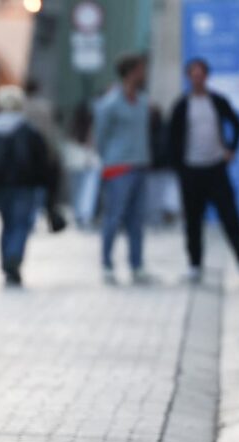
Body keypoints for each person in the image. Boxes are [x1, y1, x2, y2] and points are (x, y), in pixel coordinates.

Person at [169, 58, 239, 282]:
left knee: (229, 214)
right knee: (193, 220)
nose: (197, 79)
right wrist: (180, 168)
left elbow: (237, 123)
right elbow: (173, 138)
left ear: (206, 77)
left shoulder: (217, 101)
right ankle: (195, 264)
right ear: (189, 77)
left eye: (201, 75)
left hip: (215, 168)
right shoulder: (182, 105)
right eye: (194, 75)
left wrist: (231, 149)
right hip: (191, 170)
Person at [0, 85, 64, 286]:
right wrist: (47, 187)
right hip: (25, 185)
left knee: (7, 223)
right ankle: (14, 256)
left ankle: (7, 260)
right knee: (20, 224)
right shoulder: (28, 130)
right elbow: (42, 161)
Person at [93, 54, 152, 284]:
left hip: (140, 164)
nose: (143, 74)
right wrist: (108, 159)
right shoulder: (110, 103)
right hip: (118, 167)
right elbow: (101, 135)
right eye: (140, 70)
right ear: (130, 73)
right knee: (113, 217)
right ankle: (107, 263)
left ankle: (137, 265)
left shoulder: (143, 101)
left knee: (136, 220)